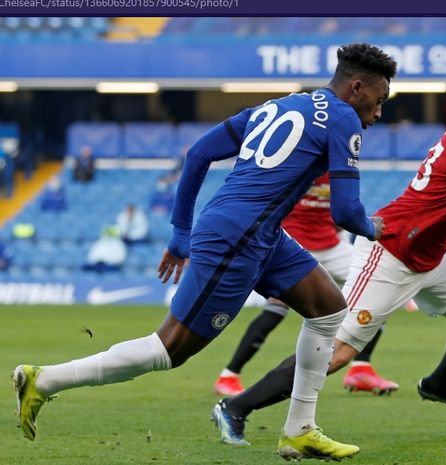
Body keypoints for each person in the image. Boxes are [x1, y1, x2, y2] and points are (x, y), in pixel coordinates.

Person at [12, 42, 396, 462]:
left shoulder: (281, 104)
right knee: (168, 349)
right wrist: (372, 227)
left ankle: (299, 430)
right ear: (357, 87)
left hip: (257, 232)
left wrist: (180, 232)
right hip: (237, 239)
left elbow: (198, 153)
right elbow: (344, 211)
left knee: (327, 310)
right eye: (378, 102)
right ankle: (43, 380)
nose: (378, 115)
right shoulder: (343, 118)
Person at [213, 62, 446, 447]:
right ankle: (235, 407)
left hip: (433, 254)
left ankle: (438, 384)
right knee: (337, 353)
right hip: (391, 251)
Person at [213, 172, 398, 400]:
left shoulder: (340, 168)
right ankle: (229, 375)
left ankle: (361, 369)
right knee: (275, 310)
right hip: (295, 247)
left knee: (376, 287)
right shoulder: (301, 163)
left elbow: (341, 214)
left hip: (330, 246)